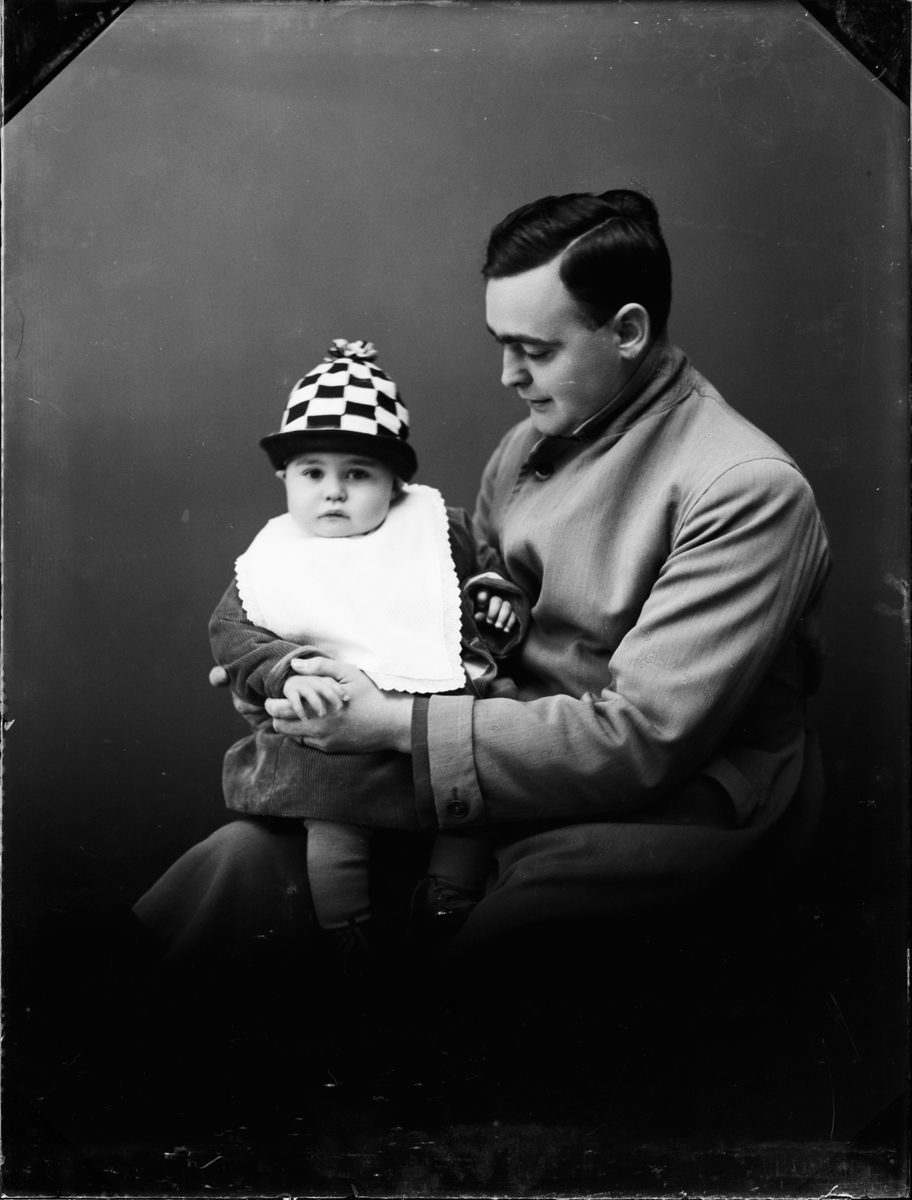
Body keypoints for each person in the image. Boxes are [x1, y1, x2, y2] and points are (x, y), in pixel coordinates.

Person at [135, 187, 829, 1011]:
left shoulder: (746, 489)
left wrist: (388, 723)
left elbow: (643, 742)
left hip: (660, 806)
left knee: (476, 981)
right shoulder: (527, 445)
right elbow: (455, 624)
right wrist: (300, 676)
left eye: (535, 350)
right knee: (231, 874)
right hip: (489, 761)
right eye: (502, 345)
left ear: (628, 331)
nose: (508, 376)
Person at [208, 338, 529, 969]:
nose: (333, 492)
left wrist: (494, 600)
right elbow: (233, 634)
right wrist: (288, 672)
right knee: (332, 822)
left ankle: (446, 899)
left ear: (396, 482)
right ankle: (348, 934)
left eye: (357, 474)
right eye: (312, 473)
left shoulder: (436, 528)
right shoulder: (274, 559)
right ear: (284, 477)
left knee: (472, 806)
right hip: (339, 733)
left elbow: (480, 574)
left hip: (435, 724)